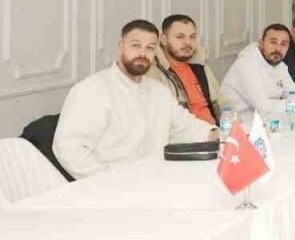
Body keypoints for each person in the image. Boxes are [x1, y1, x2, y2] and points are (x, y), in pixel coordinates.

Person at [53, 20, 217, 179]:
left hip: (157, 179)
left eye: (150, 48)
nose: (143, 54)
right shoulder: (92, 90)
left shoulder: (159, 91)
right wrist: (109, 180)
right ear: (121, 47)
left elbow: (183, 125)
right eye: (136, 46)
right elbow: (69, 149)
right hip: (111, 185)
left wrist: (213, 134)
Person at [222, 24, 295, 122]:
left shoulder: (280, 65)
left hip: (269, 122)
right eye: (273, 42)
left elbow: (292, 91)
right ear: (261, 43)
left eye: (283, 44)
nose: (278, 48)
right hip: (240, 128)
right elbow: (264, 107)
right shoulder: (247, 64)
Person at [147, 13, 222, 125]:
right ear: (163, 40)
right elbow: (164, 122)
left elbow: (222, 101)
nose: (187, 42)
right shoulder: (154, 74)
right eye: (180, 37)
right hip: (188, 134)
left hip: (216, 131)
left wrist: (232, 126)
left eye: (192, 37)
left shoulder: (200, 66)